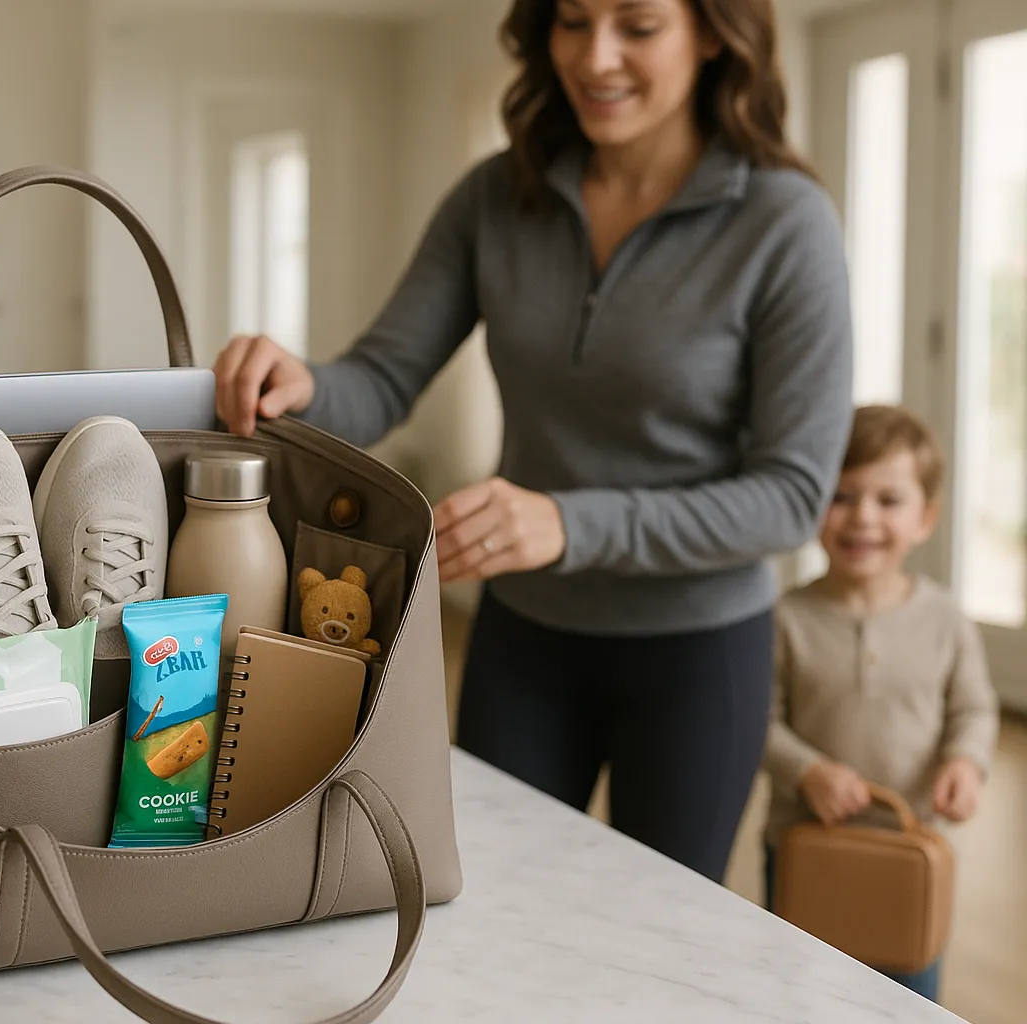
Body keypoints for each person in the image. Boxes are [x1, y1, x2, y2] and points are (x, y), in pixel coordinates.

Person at [212, 0, 853, 882]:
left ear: (711, 33)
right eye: (573, 21)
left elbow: (790, 495)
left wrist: (570, 523)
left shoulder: (784, 221)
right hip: (525, 638)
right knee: (486, 904)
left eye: (637, 25)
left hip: (698, 657)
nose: (596, 57)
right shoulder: (495, 197)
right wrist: (304, 382)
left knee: (662, 942)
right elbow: (382, 377)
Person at [763, 405, 998, 1002]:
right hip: (805, 848)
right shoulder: (785, 618)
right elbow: (759, 721)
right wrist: (807, 770)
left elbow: (974, 709)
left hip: (908, 856)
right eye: (841, 496)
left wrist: (964, 763)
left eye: (887, 500)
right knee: (799, 994)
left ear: (926, 518)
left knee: (906, 997)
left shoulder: (946, 620)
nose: (862, 517)